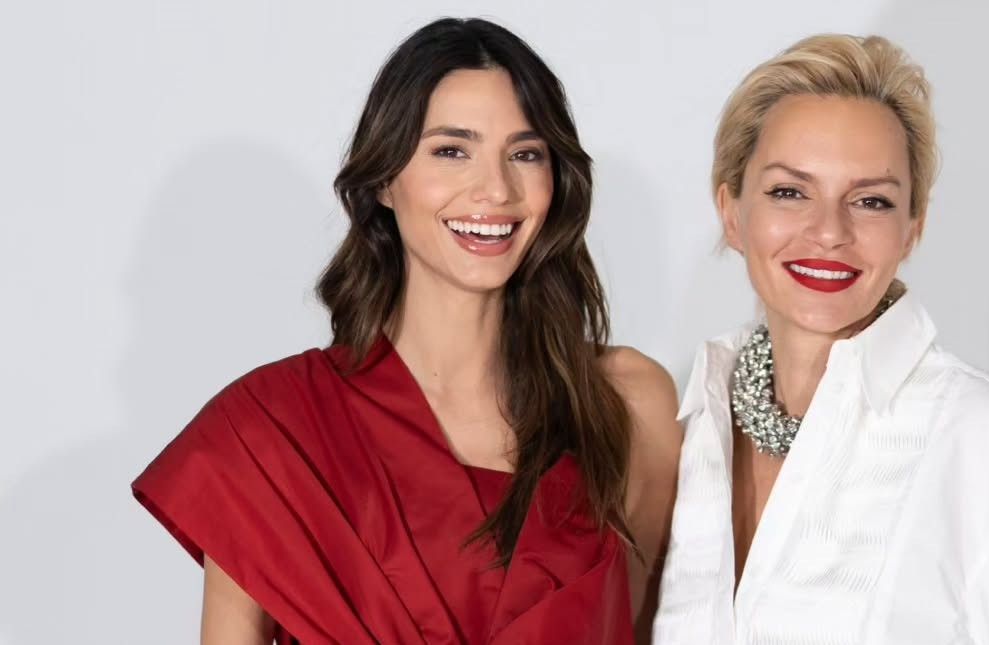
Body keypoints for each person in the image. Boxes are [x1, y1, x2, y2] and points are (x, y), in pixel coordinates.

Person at [132, 17, 680, 645]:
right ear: (384, 181)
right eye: (452, 150)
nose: (495, 189)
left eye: (525, 154)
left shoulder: (627, 404)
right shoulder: (268, 431)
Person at [653, 34, 989, 644]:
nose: (829, 230)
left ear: (912, 228)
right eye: (789, 191)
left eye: (871, 200)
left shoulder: (978, 435)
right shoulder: (689, 427)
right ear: (732, 212)